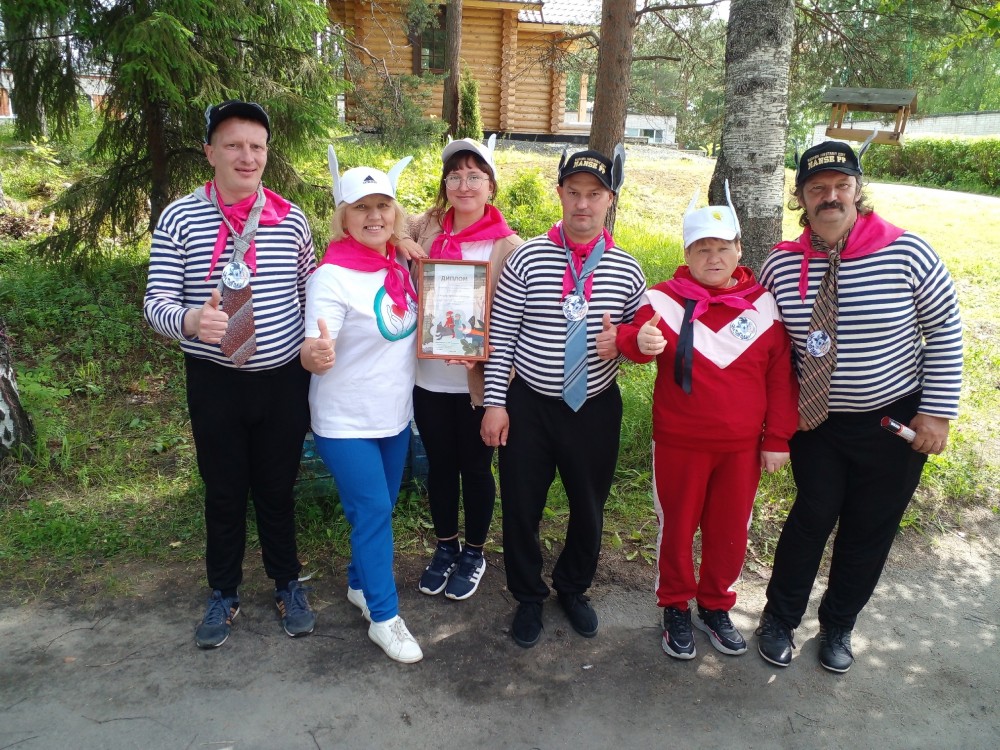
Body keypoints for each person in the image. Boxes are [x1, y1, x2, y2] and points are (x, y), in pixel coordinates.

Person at [754, 140, 963, 673]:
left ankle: (839, 624)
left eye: (841, 186)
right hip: (816, 424)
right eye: (817, 188)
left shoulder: (907, 251)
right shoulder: (781, 263)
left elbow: (944, 329)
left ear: (857, 190)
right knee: (812, 517)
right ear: (802, 197)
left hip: (891, 422)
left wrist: (937, 412)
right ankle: (779, 619)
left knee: (870, 527)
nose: (830, 196)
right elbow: (765, 344)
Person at [144, 100, 316, 648]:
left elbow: (313, 293)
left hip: (283, 381)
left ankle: (287, 583)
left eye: (257, 147)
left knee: (277, 489)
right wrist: (191, 321)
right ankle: (223, 592)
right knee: (223, 492)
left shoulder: (291, 220)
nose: (247, 156)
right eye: (234, 145)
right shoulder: (180, 217)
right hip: (215, 381)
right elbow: (155, 303)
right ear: (210, 152)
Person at [616, 184, 798, 660]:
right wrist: (639, 343)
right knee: (676, 528)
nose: (713, 258)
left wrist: (778, 438)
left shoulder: (764, 305)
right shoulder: (663, 299)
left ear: (739, 249)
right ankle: (675, 605)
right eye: (702, 249)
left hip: (742, 447)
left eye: (722, 248)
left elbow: (781, 378)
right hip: (679, 442)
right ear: (687, 254)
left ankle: (716, 604)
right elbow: (634, 340)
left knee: (730, 530)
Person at [481, 147, 647, 648]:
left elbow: (643, 335)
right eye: (573, 192)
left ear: (609, 200)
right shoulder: (527, 258)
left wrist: (623, 341)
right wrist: (495, 403)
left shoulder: (626, 268)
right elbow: (502, 334)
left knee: (589, 506)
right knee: (521, 505)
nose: (582, 204)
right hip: (530, 405)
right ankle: (528, 596)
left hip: (594, 406)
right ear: (559, 194)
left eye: (594, 194)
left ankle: (573, 588)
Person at [299, 147, 423, 664]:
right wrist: (315, 352)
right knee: (373, 512)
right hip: (345, 421)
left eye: (383, 206)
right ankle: (385, 618)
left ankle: (358, 584)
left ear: (395, 213)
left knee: (379, 509)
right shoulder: (331, 277)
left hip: (393, 418)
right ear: (343, 217)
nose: (374, 216)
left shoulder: (400, 263)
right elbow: (315, 339)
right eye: (361, 208)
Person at [404, 135, 523, 601]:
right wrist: (403, 241)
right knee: (439, 467)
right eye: (454, 177)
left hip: (478, 382)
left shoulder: (509, 247)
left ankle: (474, 551)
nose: (464, 185)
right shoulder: (427, 227)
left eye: (475, 176)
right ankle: (445, 546)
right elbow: (380, 222)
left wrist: (481, 350)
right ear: (445, 184)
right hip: (428, 379)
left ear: (491, 185)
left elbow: (518, 320)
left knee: (475, 469)